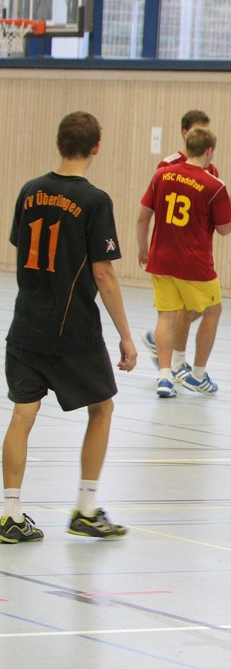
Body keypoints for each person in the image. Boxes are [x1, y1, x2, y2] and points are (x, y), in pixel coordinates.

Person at [2, 111, 137, 544]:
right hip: (72, 331)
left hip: (25, 326)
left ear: (59, 142)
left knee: (23, 415)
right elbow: (104, 274)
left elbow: (21, 248)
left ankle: (9, 515)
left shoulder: (29, 191)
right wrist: (126, 335)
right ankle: (85, 508)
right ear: (96, 147)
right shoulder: (96, 200)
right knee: (102, 408)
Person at [136, 127, 231, 398]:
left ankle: (165, 377)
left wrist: (143, 248)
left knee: (166, 315)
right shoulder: (214, 185)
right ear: (210, 151)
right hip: (194, 263)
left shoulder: (162, 175)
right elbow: (225, 229)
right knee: (213, 311)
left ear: (186, 147)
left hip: (161, 259)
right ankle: (198, 375)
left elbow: (143, 216)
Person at [141, 110, 220, 381]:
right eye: (199, 130)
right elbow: (154, 208)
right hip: (172, 253)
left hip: (198, 252)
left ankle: (167, 349)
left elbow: (211, 213)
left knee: (193, 310)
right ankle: (179, 362)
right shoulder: (167, 166)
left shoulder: (211, 170)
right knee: (198, 310)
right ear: (186, 133)